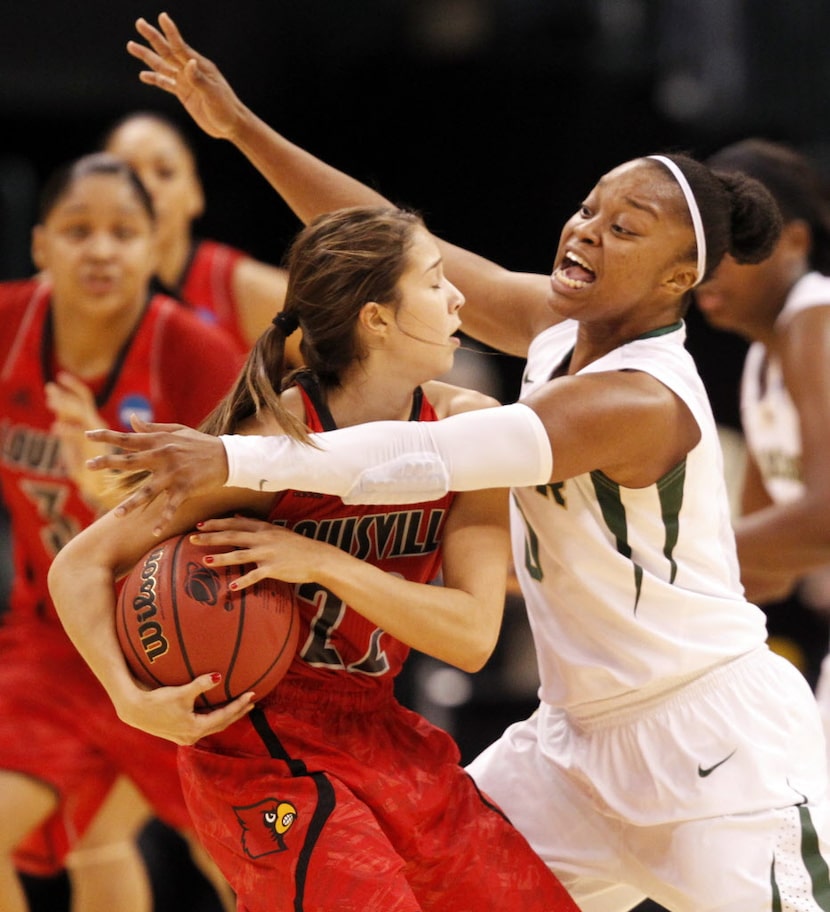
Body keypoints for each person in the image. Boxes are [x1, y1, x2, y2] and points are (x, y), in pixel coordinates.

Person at [73, 14, 830, 910]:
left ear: (678, 281)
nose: (587, 232)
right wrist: (241, 129)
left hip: (709, 743)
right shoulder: (557, 328)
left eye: (625, 229)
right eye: (588, 208)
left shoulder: (642, 396)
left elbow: (432, 453)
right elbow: (381, 245)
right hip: (571, 749)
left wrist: (235, 456)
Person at [48, 204, 579, 912]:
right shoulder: (268, 446)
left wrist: (319, 560)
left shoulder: (470, 429)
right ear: (376, 319)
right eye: (434, 281)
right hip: (259, 746)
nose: (458, 298)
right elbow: (79, 564)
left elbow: (472, 636)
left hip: (377, 727)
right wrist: (129, 698)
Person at [0, 151, 241, 912]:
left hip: (172, 648)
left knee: (251, 872)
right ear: (40, 246)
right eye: (78, 230)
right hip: (51, 645)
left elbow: (245, 517)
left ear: (153, 246)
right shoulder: (8, 326)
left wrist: (113, 495)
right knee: (92, 846)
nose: (101, 249)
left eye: (123, 232)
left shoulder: (197, 354)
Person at [693, 137, 830, 758]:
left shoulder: (817, 320)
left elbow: (825, 521)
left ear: (796, 242)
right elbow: (762, 575)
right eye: (703, 242)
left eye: (736, 240)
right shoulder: (761, 364)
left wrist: (646, 563)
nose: (710, 264)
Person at [100, 109, 302, 366]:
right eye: (127, 173)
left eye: (165, 172)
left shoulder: (240, 288)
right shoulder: (61, 290)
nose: (146, 187)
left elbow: (346, 364)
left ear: (195, 194)